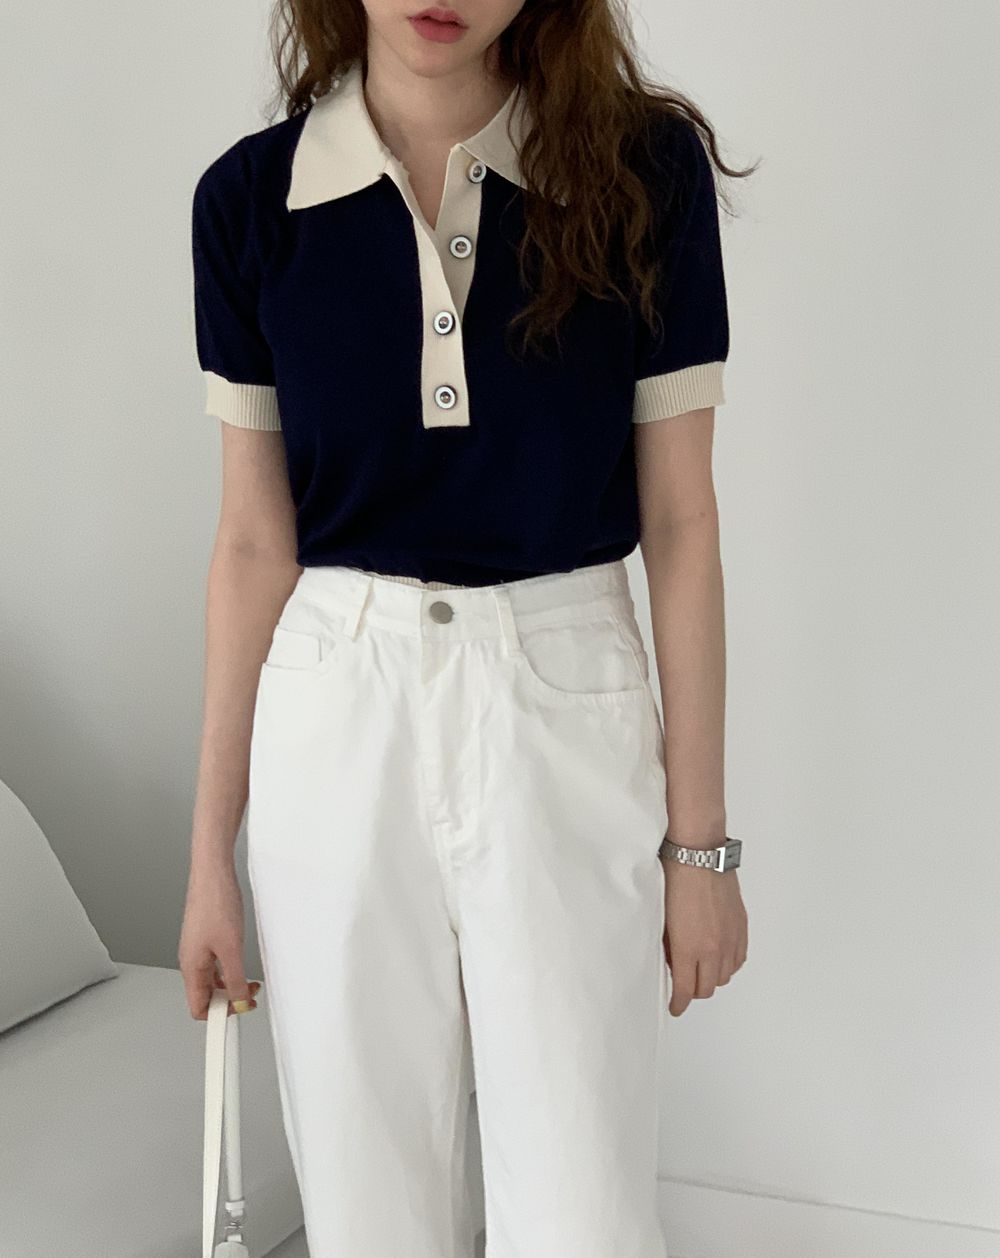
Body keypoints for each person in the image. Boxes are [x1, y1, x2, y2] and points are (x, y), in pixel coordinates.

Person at [179, 1, 753, 1253]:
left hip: (561, 692)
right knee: (364, 1203)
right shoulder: (251, 202)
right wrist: (209, 854)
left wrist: (700, 851)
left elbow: (681, 521)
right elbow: (252, 545)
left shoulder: (640, 171)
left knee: (583, 1206)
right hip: (334, 702)